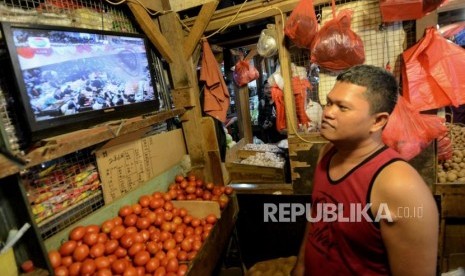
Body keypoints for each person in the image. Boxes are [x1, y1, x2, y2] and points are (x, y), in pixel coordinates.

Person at [292, 65, 438, 275]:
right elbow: (318, 215)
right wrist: (301, 265)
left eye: (342, 107)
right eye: (329, 102)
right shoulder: (327, 153)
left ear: (378, 121)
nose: (328, 113)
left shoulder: (399, 186)